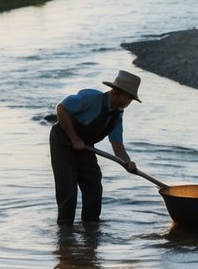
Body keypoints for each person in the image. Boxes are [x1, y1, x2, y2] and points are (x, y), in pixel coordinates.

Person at [49, 70, 142, 224]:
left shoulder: (117, 115)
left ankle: (91, 235)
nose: (129, 102)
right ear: (117, 92)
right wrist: (74, 138)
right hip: (63, 144)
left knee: (94, 190)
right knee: (68, 194)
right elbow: (61, 108)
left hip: (86, 148)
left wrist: (128, 162)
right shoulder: (90, 98)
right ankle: (65, 238)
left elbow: (118, 147)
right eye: (129, 97)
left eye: (132, 99)